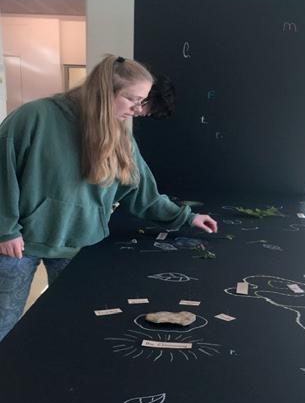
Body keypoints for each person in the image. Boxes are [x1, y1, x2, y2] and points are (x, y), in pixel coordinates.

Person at [0, 54, 217, 341]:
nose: (137, 110)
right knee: (4, 320)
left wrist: (187, 217)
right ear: (103, 92)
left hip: (79, 244)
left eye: (142, 101)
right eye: (132, 100)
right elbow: (3, 173)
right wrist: (5, 230)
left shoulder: (121, 137)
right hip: (18, 245)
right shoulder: (34, 116)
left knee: (74, 324)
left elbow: (143, 193)